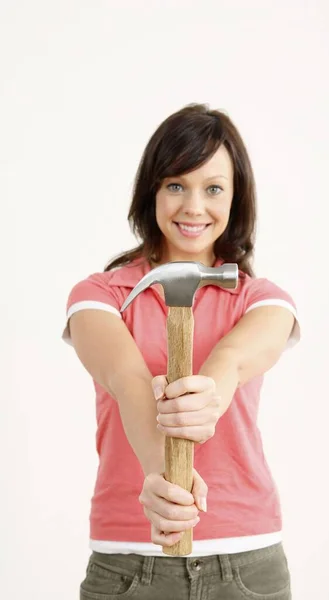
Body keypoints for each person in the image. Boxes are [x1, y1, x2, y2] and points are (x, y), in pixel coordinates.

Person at [62, 103, 300, 600]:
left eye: (213, 188)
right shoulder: (99, 295)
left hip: (248, 561)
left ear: (236, 199)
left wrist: (209, 394)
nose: (194, 206)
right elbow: (127, 383)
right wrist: (162, 477)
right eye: (176, 185)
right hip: (127, 563)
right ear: (151, 190)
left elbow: (234, 360)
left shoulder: (261, 299)